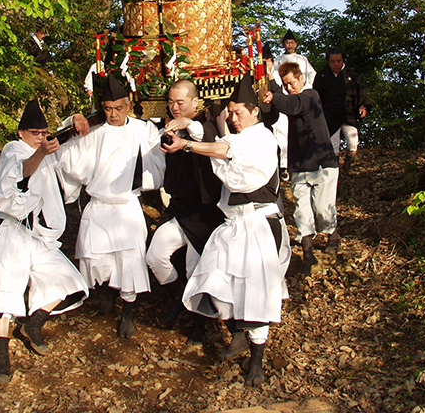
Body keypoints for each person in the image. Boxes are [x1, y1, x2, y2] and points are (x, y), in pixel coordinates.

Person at [162, 74, 291, 386]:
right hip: (233, 225)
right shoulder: (233, 138)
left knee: (257, 293)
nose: (233, 118)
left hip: (260, 225)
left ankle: (257, 361)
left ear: (255, 111)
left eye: (239, 112)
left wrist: (189, 146)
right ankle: (235, 333)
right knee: (215, 281)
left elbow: (225, 157)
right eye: (230, 113)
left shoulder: (263, 138)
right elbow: (216, 143)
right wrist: (187, 135)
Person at [0, 99, 91, 384]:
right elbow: (21, 173)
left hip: (37, 236)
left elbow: (64, 137)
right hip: (10, 230)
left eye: (43, 132)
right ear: (21, 133)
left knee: (70, 280)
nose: (40, 137)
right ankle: (1, 359)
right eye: (34, 133)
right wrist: (40, 152)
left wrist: (76, 116)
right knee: (6, 291)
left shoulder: (46, 150)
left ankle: (34, 324)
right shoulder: (14, 150)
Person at [58, 74, 164, 339]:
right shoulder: (94, 130)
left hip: (126, 206)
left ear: (128, 105)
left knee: (129, 262)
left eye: (118, 108)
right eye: (107, 108)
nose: (113, 114)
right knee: (97, 258)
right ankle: (106, 290)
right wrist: (73, 119)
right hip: (99, 205)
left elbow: (162, 148)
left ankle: (127, 313)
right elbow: (66, 147)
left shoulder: (143, 130)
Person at [145, 80, 224, 342]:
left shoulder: (207, 126)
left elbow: (203, 134)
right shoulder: (165, 128)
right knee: (155, 255)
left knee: (195, 269)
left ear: (195, 103)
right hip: (179, 209)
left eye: (180, 102)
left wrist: (188, 125)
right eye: (170, 102)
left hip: (205, 214)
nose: (174, 107)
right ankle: (178, 300)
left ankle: (198, 324)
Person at [263, 61, 340, 276]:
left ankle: (333, 233)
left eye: (292, 82)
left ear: (301, 79)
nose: (289, 87)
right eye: (285, 84)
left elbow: (292, 104)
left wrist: (275, 96)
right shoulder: (291, 97)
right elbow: (285, 100)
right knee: (302, 212)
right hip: (299, 165)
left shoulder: (310, 96)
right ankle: (308, 255)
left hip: (322, 163)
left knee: (323, 210)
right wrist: (270, 79)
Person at [312, 48, 371, 175]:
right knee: (333, 147)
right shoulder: (322, 75)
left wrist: (362, 106)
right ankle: (335, 170)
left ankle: (348, 164)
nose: (336, 64)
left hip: (348, 113)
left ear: (343, 60)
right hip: (329, 114)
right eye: (333, 61)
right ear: (328, 62)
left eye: (338, 61)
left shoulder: (351, 75)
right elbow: (316, 96)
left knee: (353, 142)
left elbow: (361, 93)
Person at [271, 29, 317, 173]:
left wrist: (304, 92)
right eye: (287, 43)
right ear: (283, 44)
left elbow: (311, 76)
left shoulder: (302, 60)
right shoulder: (278, 61)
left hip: (301, 98)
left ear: (295, 44)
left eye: (292, 42)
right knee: (282, 131)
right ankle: (283, 165)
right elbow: (274, 78)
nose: (289, 45)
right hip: (285, 99)